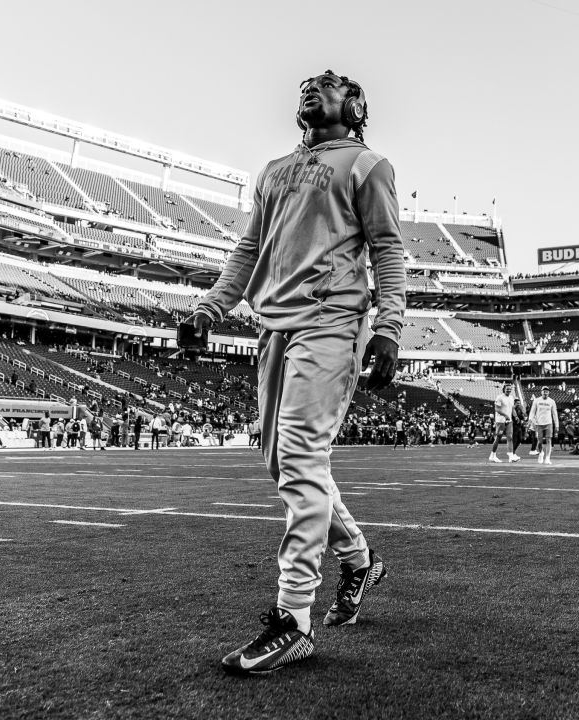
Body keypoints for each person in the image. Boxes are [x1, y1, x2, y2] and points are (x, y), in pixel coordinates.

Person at [180, 69, 403, 675]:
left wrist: (389, 325)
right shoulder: (273, 169)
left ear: (353, 105)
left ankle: (293, 619)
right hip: (275, 326)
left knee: (302, 460)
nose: (314, 86)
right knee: (284, 464)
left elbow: (386, 247)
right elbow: (250, 249)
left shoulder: (366, 165)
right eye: (308, 83)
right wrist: (209, 307)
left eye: (330, 83)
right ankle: (358, 558)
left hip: (332, 320)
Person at [527, 386, 558, 465]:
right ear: (541, 392)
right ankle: (541, 453)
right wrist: (530, 420)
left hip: (548, 423)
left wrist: (557, 424)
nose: (545, 392)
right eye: (544, 391)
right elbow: (532, 412)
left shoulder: (552, 401)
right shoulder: (536, 401)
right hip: (539, 424)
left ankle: (547, 458)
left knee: (548, 440)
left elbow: (554, 414)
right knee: (539, 442)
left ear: (549, 392)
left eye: (547, 391)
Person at [489, 384, 520, 463]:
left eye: (510, 389)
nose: (509, 390)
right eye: (507, 389)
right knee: (498, 438)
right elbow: (497, 409)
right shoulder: (499, 397)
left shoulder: (511, 397)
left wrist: (515, 416)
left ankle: (511, 456)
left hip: (509, 421)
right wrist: (505, 415)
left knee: (510, 437)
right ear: (504, 389)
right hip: (500, 421)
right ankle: (493, 455)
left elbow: (512, 408)